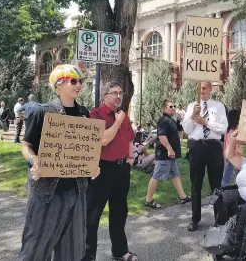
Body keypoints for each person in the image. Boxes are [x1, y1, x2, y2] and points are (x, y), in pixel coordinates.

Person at [17, 64, 99, 261]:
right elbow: (26, 146)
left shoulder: (83, 114)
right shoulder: (42, 112)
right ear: (58, 84)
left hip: (77, 192)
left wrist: (92, 165)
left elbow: (84, 149)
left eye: (81, 81)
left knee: (73, 252)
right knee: (35, 250)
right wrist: (34, 160)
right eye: (73, 81)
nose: (79, 85)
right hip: (48, 192)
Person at [83, 82, 137, 261]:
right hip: (102, 169)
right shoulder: (96, 115)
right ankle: (88, 255)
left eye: (120, 93)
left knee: (120, 212)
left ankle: (120, 251)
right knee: (93, 214)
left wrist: (130, 160)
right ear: (104, 95)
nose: (119, 96)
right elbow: (102, 140)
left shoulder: (124, 117)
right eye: (114, 93)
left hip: (122, 169)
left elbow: (129, 139)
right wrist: (118, 122)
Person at [182, 81, 228, 231]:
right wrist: (192, 116)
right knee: (196, 183)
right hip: (196, 146)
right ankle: (195, 219)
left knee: (216, 184)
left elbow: (223, 128)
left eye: (204, 88)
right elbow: (187, 130)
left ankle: (219, 219)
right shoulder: (192, 106)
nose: (201, 91)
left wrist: (205, 122)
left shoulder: (218, 106)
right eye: (199, 88)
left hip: (213, 146)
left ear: (210, 89)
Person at [144, 99, 191, 208]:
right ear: (163, 109)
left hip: (170, 156)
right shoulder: (164, 120)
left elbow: (181, 128)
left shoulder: (171, 120)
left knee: (175, 175)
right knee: (156, 176)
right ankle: (148, 200)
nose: (173, 108)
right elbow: (162, 136)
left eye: (174, 106)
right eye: (171, 106)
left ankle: (182, 196)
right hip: (165, 155)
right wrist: (169, 149)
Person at [221, 109, 241, 187]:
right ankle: (223, 186)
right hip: (233, 154)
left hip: (229, 154)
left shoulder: (228, 130)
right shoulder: (233, 132)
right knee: (232, 171)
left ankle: (225, 185)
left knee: (231, 170)